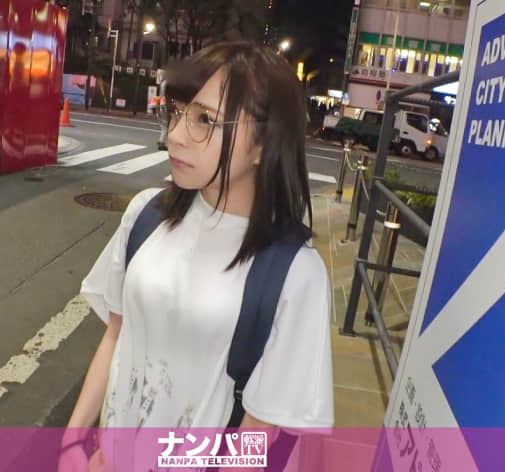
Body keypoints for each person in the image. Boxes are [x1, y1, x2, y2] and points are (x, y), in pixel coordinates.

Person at [60, 41, 334, 470]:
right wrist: (71, 444)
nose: (175, 135)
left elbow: (260, 431)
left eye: (205, 119)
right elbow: (116, 334)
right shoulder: (145, 216)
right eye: (177, 112)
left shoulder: (294, 273)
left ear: (264, 143)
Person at [157, 79, 169, 151]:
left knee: (164, 126)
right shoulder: (167, 83)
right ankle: (163, 142)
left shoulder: (162, 83)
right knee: (166, 126)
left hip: (162, 106)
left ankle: (161, 141)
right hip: (165, 107)